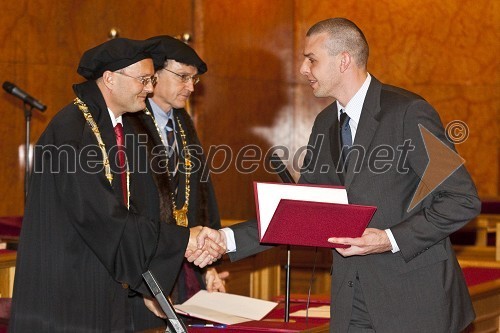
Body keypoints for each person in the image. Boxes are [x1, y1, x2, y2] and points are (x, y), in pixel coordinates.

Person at [193, 18, 481, 333]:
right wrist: (226, 239)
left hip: (415, 303)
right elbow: (298, 212)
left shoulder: (409, 113)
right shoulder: (326, 122)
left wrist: (388, 239)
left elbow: (461, 200)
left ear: (343, 60)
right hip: (352, 303)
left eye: (311, 59)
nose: (303, 69)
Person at [9, 37, 224, 332]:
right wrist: (183, 239)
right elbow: (104, 220)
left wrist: (148, 282)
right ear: (110, 79)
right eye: (144, 80)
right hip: (68, 291)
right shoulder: (74, 132)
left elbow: (128, 213)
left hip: (97, 280)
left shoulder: (109, 125)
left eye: (151, 80)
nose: (150, 89)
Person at [126, 35, 228, 304]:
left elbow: (201, 195)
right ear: (154, 74)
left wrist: (209, 265)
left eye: (193, 79)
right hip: (141, 266)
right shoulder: (129, 122)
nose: (191, 88)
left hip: (183, 260)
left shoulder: (183, 122)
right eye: (183, 76)